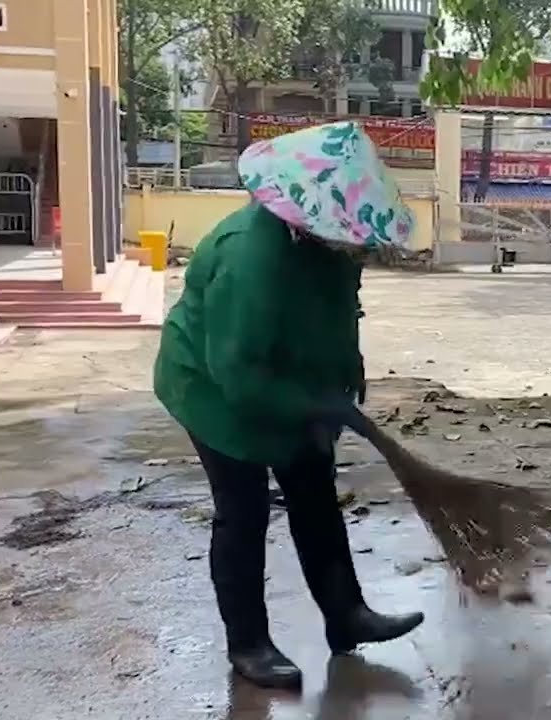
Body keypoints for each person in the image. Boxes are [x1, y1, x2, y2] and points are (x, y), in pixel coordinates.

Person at [153, 122, 423, 691]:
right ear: (312, 219)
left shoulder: (335, 246)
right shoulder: (250, 259)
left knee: (314, 493)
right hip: (211, 388)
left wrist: (347, 379)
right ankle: (248, 644)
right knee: (243, 512)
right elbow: (239, 379)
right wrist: (313, 408)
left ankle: (347, 615)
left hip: (287, 376)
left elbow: (339, 314)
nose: (361, 249)